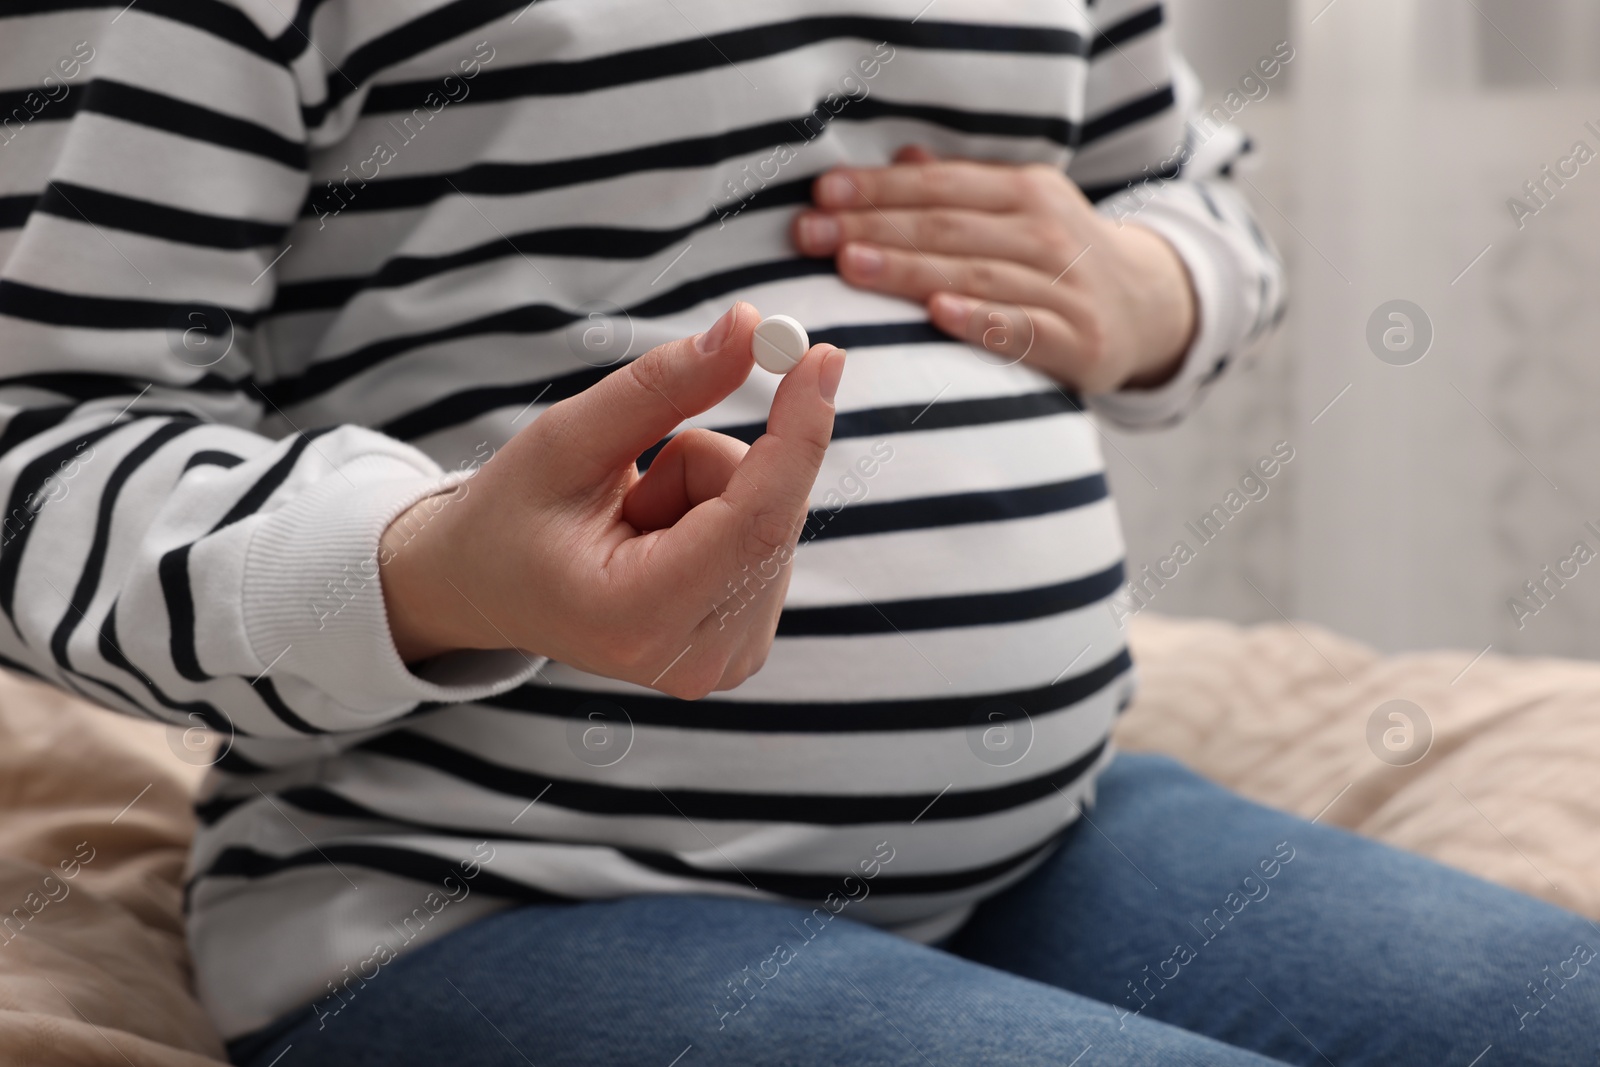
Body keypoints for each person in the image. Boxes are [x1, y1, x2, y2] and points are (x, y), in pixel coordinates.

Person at [0, 2, 1592, 1064]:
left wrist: (1150, 290)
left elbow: (1188, 195)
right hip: (478, 895)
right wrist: (427, 571)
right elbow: (40, 434)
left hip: (1041, 835)